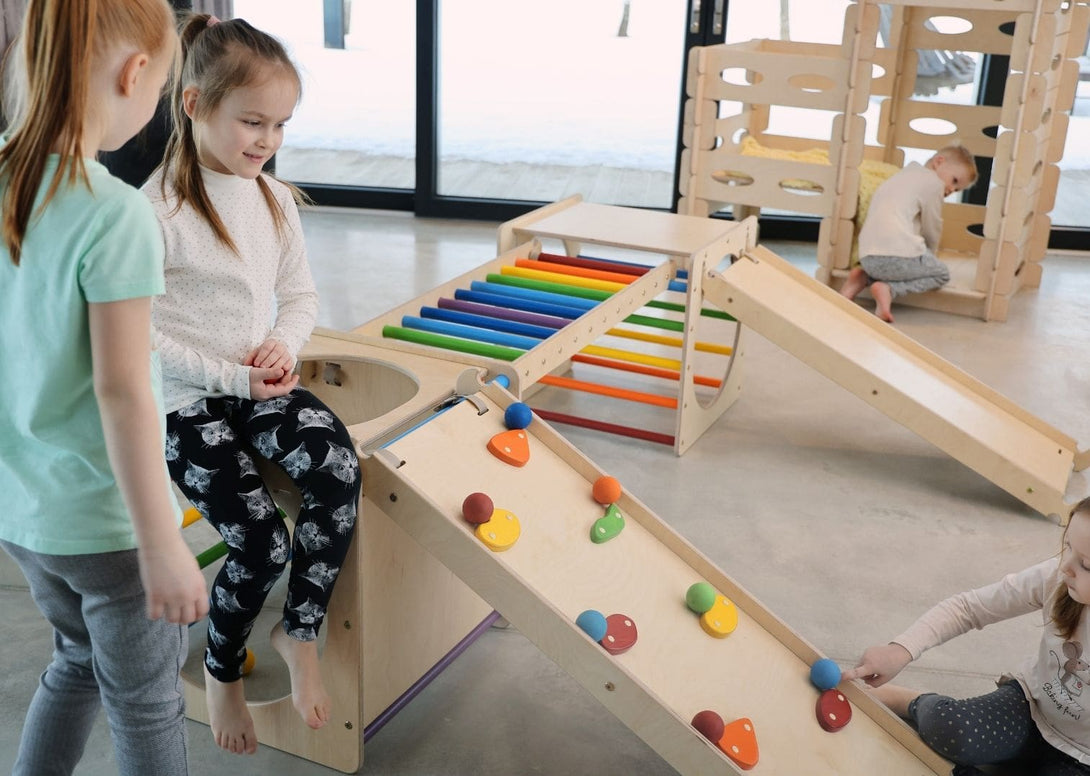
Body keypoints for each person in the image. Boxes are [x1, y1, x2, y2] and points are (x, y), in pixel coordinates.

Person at [0, 1, 210, 775]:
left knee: (76, 661)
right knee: (148, 703)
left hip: (23, 513)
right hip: (107, 525)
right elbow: (123, 392)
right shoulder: (115, 215)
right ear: (135, 74)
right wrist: (161, 543)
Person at [144, 13, 362, 756]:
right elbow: (141, 333)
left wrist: (282, 345)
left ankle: (298, 630)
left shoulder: (271, 198)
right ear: (194, 103)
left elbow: (299, 297)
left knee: (337, 470)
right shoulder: (157, 210)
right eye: (252, 122)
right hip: (185, 399)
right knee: (261, 542)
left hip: (255, 383)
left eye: (281, 125)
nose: (267, 141)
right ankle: (223, 671)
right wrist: (233, 374)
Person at [844, 496, 1090, 775]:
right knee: (951, 730)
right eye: (1067, 545)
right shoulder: (1055, 578)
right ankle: (908, 700)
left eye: (1086, 564)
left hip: (1083, 758)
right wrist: (900, 650)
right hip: (1032, 711)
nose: (1065, 566)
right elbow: (969, 608)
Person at [839, 144, 978, 323]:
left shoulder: (903, 175)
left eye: (957, 189)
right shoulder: (934, 184)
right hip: (896, 257)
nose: (951, 189)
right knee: (941, 274)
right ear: (939, 162)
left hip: (867, 257)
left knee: (894, 260)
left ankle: (861, 277)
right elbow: (932, 227)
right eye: (954, 181)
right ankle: (888, 289)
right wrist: (930, 255)